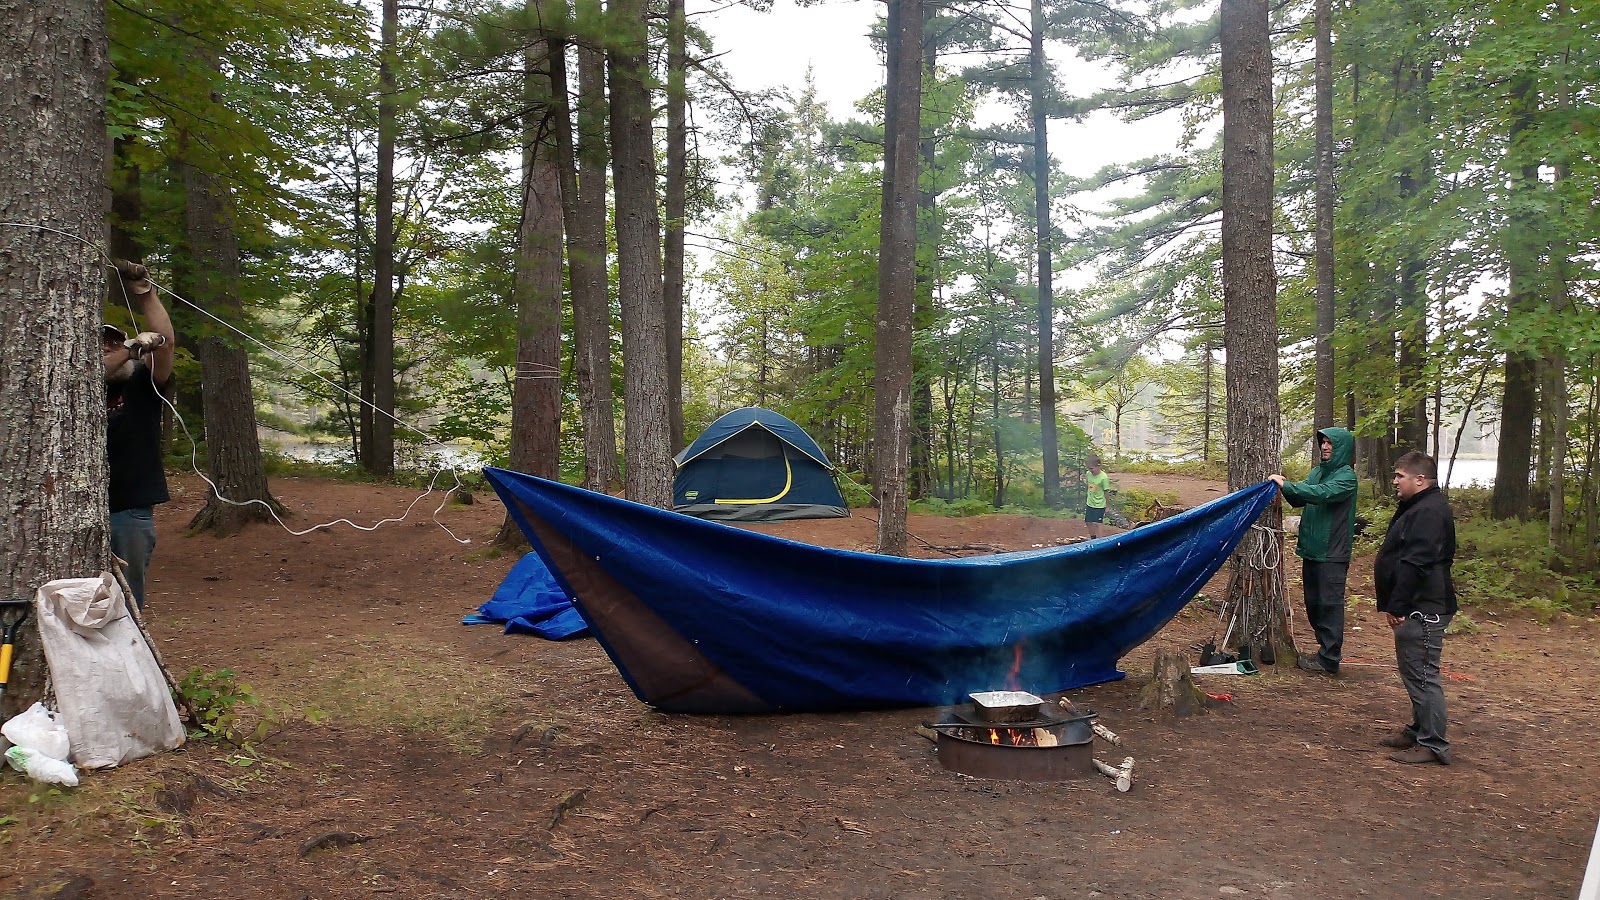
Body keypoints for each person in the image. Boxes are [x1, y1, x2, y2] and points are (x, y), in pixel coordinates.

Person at [1375, 451, 1456, 765]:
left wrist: (1399, 603)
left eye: (1400, 476)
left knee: (1423, 674)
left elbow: (1416, 561)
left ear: (1420, 480)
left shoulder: (1429, 512)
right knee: (1414, 671)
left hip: (1424, 606)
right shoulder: (1418, 507)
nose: (1394, 481)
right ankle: (1420, 728)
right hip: (1417, 604)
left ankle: (1434, 744)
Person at [103, 260, 176, 610]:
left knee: (126, 602)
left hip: (128, 514)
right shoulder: (74, 392)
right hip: (70, 515)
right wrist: (128, 349)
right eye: (102, 346)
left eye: (113, 343)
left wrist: (145, 292)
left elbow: (166, 344)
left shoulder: (142, 387)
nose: (109, 349)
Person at [1268, 428, 1357, 676]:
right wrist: (1284, 489)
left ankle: (1329, 658)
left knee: (1329, 605)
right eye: (1323, 442)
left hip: (1333, 553)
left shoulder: (1347, 477)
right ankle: (1323, 652)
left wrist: (1288, 485)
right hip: (1312, 549)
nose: (1326, 447)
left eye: (1331, 443)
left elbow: (1321, 494)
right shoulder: (1318, 471)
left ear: (1342, 448)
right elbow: (1300, 498)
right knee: (1313, 603)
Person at [1084, 454, 1111, 539]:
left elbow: (1106, 492)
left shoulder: (1104, 478)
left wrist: (1107, 506)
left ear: (1099, 466)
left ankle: (1100, 540)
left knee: (1097, 523)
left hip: (1100, 504)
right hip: (1090, 502)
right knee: (1088, 521)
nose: (1090, 470)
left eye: (1092, 468)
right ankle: (1093, 538)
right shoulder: (1088, 474)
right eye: (1088, 468)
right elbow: (1089, 486)